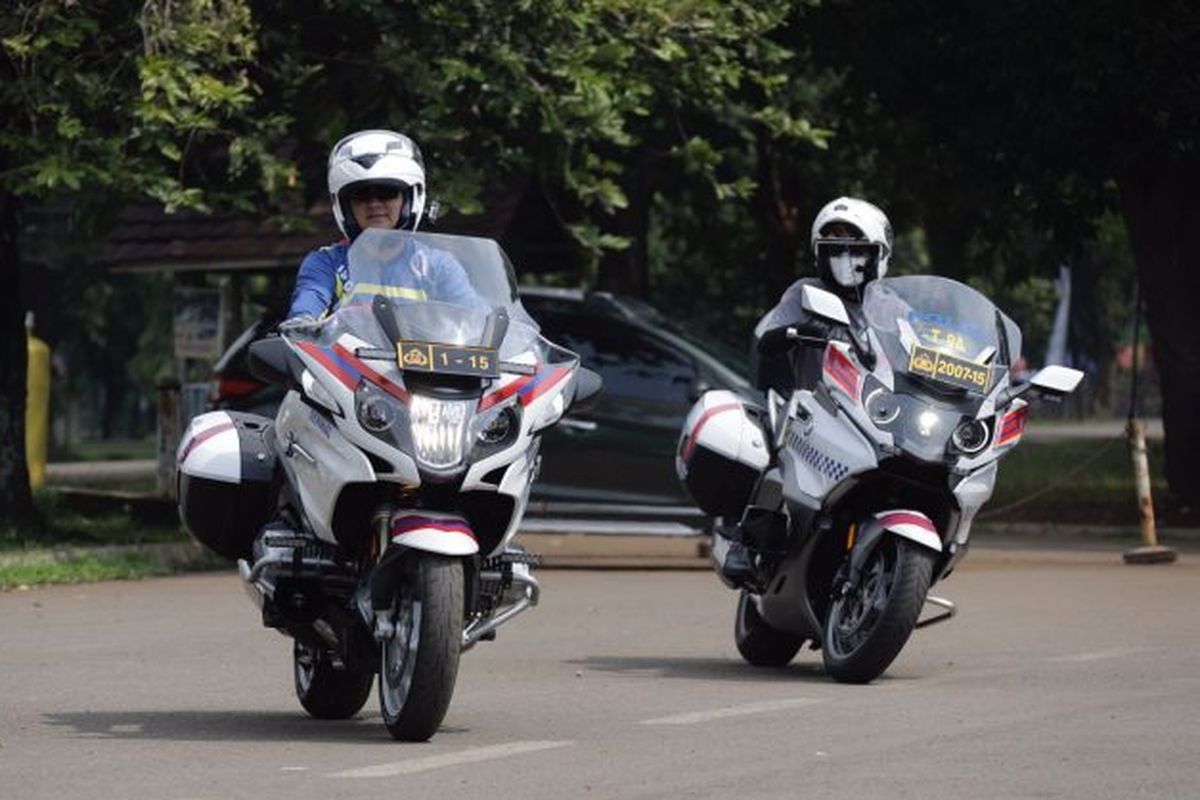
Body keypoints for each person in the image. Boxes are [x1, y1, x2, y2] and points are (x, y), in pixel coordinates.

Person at [724, 196, 894, 586]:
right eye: (835, 252)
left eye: (858, 252)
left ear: (880, 256)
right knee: (770, 449)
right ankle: (744, 540)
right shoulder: (805, 292)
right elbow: (769, 338)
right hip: (813, 406)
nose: (846, 261)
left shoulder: (892, 307)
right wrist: (795, 331)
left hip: (874, 412)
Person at [284, 129, 481, 325]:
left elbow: (477, 320)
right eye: (361, 195)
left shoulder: (437, 266)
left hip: (423, 357)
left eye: (387, 192)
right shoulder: (326, 264)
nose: (374, 204)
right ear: (345, 206)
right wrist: (301, 322)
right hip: (344, 357)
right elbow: (306, 308)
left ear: (410, 199)